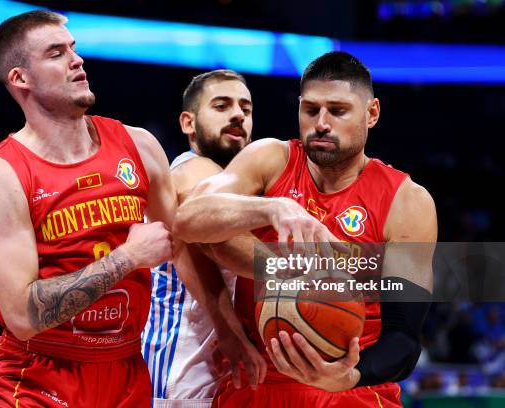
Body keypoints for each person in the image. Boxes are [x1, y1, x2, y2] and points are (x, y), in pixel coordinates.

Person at [174, 51, 436, 407]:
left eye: (338, 111)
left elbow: (404, 338)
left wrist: (349, 376)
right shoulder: (271, 159)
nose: (322, 123)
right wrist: (274, 206)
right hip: (257, 382)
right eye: (310, 110)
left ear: (371, 113)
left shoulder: (407, 202)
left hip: (351, 391)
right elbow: (188, 219)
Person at [0, 10, 177, 407]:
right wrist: (129, 257)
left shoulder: (139, 145)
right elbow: (23, 317)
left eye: (73, 49)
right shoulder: (1, 175)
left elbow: (185, 248)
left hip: (127, 369)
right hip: (37, 376)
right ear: (21, 79)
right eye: (55, 53)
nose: (76, 60)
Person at [142, 69, 265, 407]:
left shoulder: (237, 184)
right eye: (221, 106)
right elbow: (239, 253)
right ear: (188, 123)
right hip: (178, 372)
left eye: (246, 108)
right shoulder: (191, 170)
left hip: (218, 372)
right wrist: (337, 272)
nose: (238, 114)